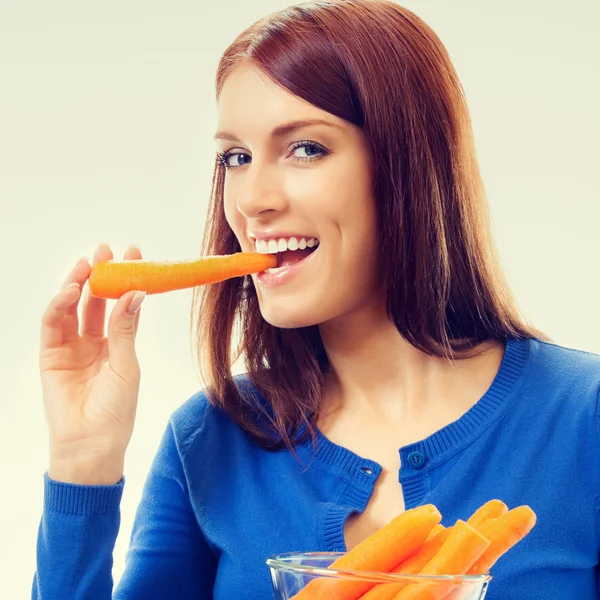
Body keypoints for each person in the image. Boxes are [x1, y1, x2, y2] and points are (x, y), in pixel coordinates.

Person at [33, 0, 600, 598]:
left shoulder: (582, 419)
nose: (252, 201)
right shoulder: (208, 440)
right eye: (236, 157)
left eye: (305, 148)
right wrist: (82, 462)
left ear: (409, 164)